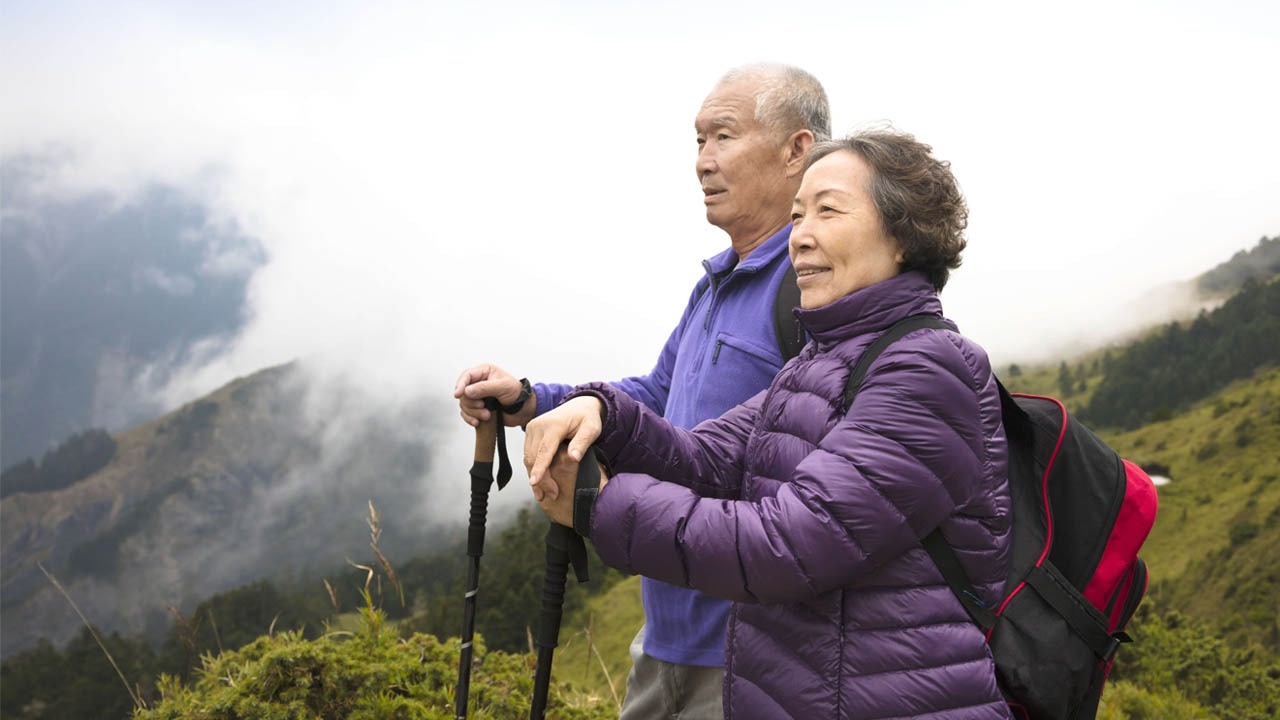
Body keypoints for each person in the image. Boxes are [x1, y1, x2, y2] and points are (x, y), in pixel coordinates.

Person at [525, 129, 1015, 719]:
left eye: (827, 212)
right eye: (797, 214)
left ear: (903, 235)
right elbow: (702, 460)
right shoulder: (820, 360)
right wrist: (606, 412)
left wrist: (599, 509)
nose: (800, 237)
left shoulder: (929, 369)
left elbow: (786, 547)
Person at [453, 63, 831, 717]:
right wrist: (530, 399)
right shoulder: (717, 283)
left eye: (723, 137)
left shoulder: (814, 291)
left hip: (754, 655)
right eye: (697, 142)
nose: (703, 162)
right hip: (664, 642)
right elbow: (658, 393)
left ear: (797, 149)